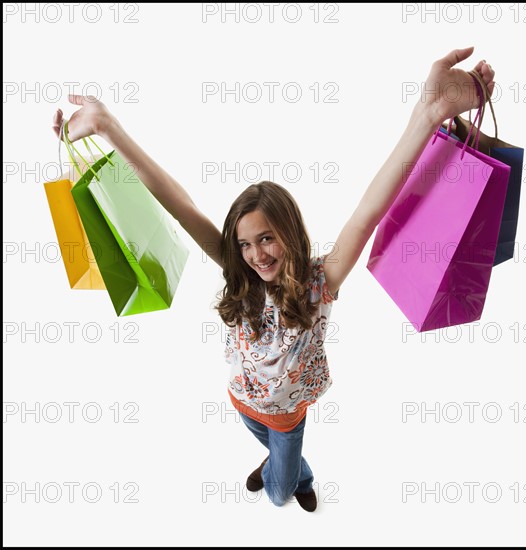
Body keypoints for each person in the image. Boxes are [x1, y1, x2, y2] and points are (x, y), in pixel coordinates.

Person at [52, 47, 495, 512]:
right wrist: (106, 126)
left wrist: (429, 114)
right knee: (273, 452)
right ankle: (288, 465)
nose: (255, 254)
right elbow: (177, 203)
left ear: (288, 232)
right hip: (241, 402)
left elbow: (369, 212)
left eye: (266, 238)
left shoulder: (320, 280)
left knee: (280, 492)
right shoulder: (239, 274)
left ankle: (290, 474)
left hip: (286, 418)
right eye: (244, 244)